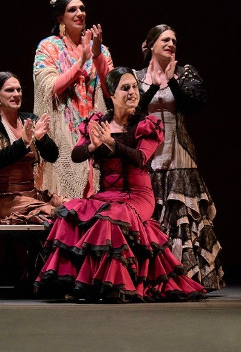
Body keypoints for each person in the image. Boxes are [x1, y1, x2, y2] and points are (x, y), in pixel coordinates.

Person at [34, 67, 207, 302]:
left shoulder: (146, 124)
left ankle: (113, 285)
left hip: (138, 196)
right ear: (112, 95)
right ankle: (81, 285)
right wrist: (94, 146)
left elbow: (141, 158)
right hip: (107, 195)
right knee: (70, 214)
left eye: (135, 87)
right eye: (125, 88)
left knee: (110, 221)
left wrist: (112, 145)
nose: (132, 92)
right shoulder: (99, 123)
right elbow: (76, 155)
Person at [135, 24, 225, 291]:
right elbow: (134, 108)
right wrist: (154, 86)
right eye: (165, 39)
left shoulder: (185, 72)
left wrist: (172, 81)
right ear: (151, 44)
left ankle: (188, 276)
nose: (171, 43)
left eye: (174, 40)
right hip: (149, 155)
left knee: (183, 213)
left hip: (179, 154)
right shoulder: (136, 76)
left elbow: (195, 105)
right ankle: (154, 276)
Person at [32, 0, 114, 201]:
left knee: (96, 192)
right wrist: (80, 63)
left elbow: (110, 90)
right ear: (61, 18)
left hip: (94, 127)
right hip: (63, 128)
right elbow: (50, 87)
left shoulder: (100, 49)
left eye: (82, 9)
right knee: (66, 198)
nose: (80, 13)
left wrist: (96, 57)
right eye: (72, 10)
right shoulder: (48, 47)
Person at [0, 69, 62, 225]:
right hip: (1, 199)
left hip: (31, 194)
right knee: (53, 214)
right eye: (9, 90)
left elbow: (53, 156)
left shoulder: (29, 120)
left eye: (18, 90)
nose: (16, 94)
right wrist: (23, 143)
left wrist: (41, 140)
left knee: (71, 207)